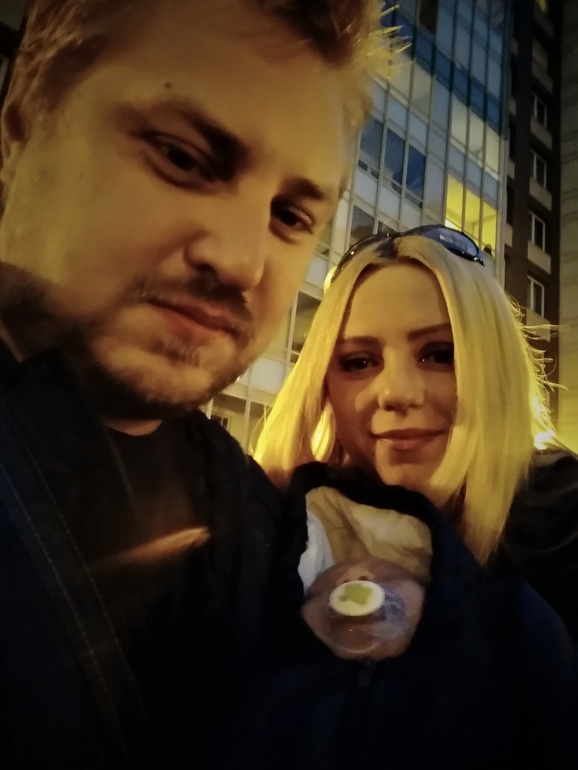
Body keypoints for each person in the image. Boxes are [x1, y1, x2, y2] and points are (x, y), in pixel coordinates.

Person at [0, 1, 390, 767]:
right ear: (20, 126)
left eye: (289, 216)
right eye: (182, 158)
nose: (242, 261)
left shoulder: (261, 522)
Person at [229, 227, 578, 769]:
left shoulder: (565, 521)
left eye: (439, 354)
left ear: (494, 367)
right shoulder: (273, 535)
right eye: (358, 362)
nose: (396, 392)